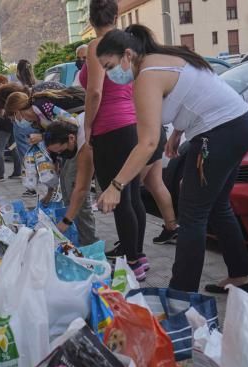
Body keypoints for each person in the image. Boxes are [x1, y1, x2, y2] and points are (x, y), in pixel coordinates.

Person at [96, 25, 248, 294]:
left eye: (109, 65)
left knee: (192, 215)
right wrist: (179, 131)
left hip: (219, 133)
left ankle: (180, 295)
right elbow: (194, 91)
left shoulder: (147, 75)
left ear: (127, 55)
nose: (110, 74)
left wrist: (116, 185)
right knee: (218, 206)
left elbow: (146, 143)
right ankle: (240, 277)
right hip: (239, 124)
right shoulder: (165, 58)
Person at [82, 0, 170, 281]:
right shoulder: (128, 43)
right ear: (116, 14)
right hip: (131, 125)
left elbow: (94, 92)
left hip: (110, 127)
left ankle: (133, 260)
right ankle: (136, 254)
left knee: (118, 196)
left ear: (90, 16)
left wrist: (88, 126)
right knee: (132, 196)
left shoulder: (98, 46)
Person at [43, 117, 98, 246]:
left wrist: (66, 221)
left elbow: (82, 189)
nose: (61, 155)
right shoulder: (68, 128)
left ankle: (90, 244)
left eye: (61, 151)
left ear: (71, 138)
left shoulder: (85, 145)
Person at [0, 75, 22, 181]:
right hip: (13, 123)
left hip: (5, 125)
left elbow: (1, 110)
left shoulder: (2, 93)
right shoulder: (13, 90)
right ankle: (17, 171)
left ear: (0, 83)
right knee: (13, 147)